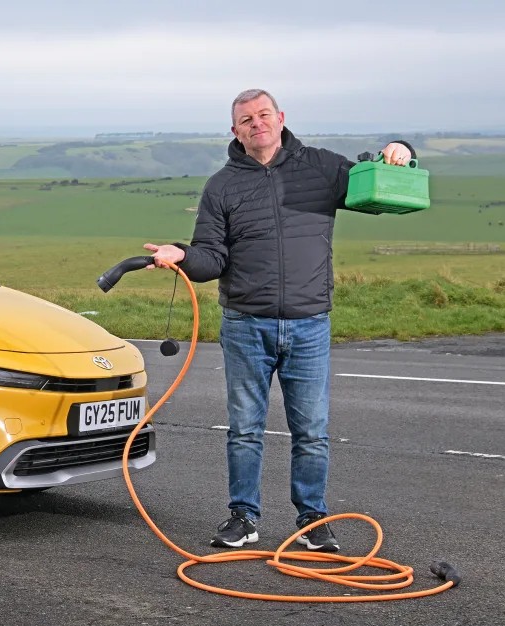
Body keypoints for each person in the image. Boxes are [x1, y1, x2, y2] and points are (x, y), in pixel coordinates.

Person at [143, 89, 414, 551]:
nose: (257, 124)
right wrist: (182, 255)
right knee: (245, 430)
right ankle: (243, 517)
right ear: (235, 131)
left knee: (312, 432)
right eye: (246, 119)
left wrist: (401, 152)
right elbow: (211, 256)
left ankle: (312, 520)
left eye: (264, 114)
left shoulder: (321, 167)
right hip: (246, 324)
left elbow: (378, 182)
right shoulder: (221, 186)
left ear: (281, 117)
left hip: (309, 323)